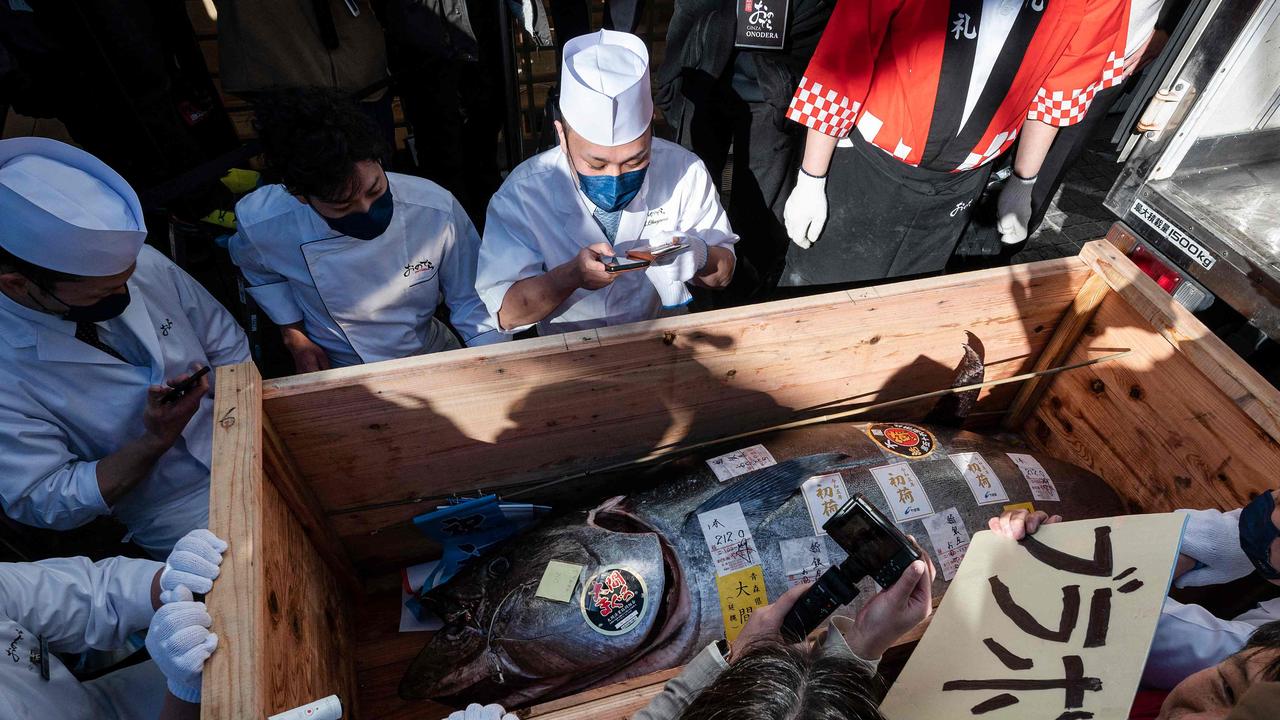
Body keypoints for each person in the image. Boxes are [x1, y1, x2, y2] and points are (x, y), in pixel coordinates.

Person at [0, 138, 250, 557]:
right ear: (18, 284)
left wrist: (240, 428)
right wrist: (153, 442)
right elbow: (43, 497)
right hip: (173, 512)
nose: (126, 294)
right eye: (104, 291)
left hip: (245, 439)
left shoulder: (137, 264)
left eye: (127, 278)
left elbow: (225, 343)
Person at [779, 0, 1126, 286]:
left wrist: (1023, 183)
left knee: (910, 301)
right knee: (815, 292)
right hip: (870, 160)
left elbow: (1061, 89)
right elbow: (845, 54)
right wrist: (812, 177)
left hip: (963, 180)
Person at [476, 30, 739, 337]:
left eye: (634, 161)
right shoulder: (523, 194)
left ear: (651, 128)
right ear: (561, 135)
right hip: (565, 353)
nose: (615, 177)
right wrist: (569, 276)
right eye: (596, 164)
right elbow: (507, 313)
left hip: (658, 342)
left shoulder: (684, 170)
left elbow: (723, 275)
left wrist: (699, 254)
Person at [228, 88, 505, 372]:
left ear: (377, 160)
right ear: (301, 196)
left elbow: (472, 301)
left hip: (428, 353)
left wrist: (496, 366)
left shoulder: (434, 208)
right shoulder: (264, 221)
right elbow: (257, 268)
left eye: (375, 190)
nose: (365, 208)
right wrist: (293, 333)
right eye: (342, 205)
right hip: (338, 366)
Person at [988, 491, 1280, 692]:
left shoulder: (1259, 659)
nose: (1269, 509)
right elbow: (1214, 536)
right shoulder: (1266, 527)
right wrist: (1051, 547)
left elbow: (1143, 634)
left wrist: (1064, 576)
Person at [655, 0, 835, 298]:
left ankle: (748, 290)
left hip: (773, 91)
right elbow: (687, 13)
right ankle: (686, 285)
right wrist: (671, 78)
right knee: (688, 194)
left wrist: (789, 87)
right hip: (702, 75)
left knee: (761, 209)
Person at [0, 528, 227, 719]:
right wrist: (184, 694)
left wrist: (171, 578)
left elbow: (92, 592)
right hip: (175, 707)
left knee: (231, 651)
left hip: (106, 704)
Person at [995, 0, 1170, 246]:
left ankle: (1001, 250)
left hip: (1116, 58)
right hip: (1040, 39)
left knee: (1048, 170)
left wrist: (1167, 27)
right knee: (996, 149)